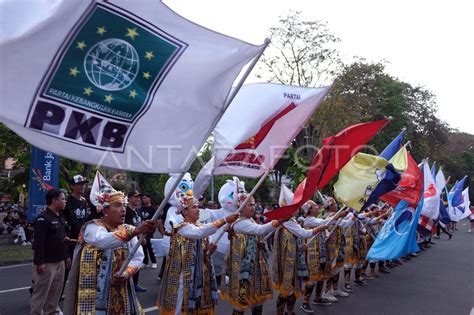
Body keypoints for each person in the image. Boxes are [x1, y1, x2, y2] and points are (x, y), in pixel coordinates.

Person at [63, 188, 156, 315]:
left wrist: (126, 273)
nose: (123, 209)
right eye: (118, 205)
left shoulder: (127, 229)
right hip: (93, 294)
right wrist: (134, 231)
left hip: (120, 290)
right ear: (105, 210)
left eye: (124, 205)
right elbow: (104, 241)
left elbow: (138, 257)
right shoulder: (92, 228)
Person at [157, 191, 239, 315]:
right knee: (181, 306)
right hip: (183, 275)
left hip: (200, 274)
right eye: (194, 207)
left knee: (198, 306)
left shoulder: (201, 226)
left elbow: (205, 250)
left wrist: (210, 250)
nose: (198, 210)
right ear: (184, 211)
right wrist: (224, 220)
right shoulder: (182, 227)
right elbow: (198, 233)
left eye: (198, 206)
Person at [221, 195, 280, 315]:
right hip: (243, 268)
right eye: (250, 205)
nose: (253, 207)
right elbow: (259, 230)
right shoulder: (240, 223)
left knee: (258, 299)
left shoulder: (250, 220)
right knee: (241, 302)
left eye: (254, 204)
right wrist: (279, 221)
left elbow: (255, 236)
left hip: (255, 266)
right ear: (240, 208)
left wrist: (260, 244)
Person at [273, 204, 328, 315]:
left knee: (293, 288)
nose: (298, 209)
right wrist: (318, 229)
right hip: (288, 261)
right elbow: (303, 234)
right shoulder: (288, 222)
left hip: (293, 258)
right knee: (287, 289)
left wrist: (301, 247)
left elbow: (294, 239)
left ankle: (290, 312)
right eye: (295, 207)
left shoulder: (291, 221)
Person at [30, 188, 70, 315]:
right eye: (63, 199)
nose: (65, 201)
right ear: (54, 200)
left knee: (55, 294)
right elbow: (39, 243)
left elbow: (64, 239)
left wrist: (67, 256)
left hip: (60, 261)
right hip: (47, 263)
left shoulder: (60, 217)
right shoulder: (43, 219)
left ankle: (52, 312)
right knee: (40, 294)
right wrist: (39, 262)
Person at [301, 200, 337, 313]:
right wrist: (338, 215)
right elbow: (325, 221)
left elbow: (325, 230)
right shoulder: (310, 220)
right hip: (312, 253)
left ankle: (318, 297)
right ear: (310, 210)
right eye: (315, 206)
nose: (318, 207)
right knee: (311, 278)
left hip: (321, 252)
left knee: (321, 276)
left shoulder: (316, 220)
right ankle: (305, 302)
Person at [125, 190, 146, 292]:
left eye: (139, 197)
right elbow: (128, 227)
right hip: (129, 241)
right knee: (129, 261)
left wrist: (142, 236)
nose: (138, 199)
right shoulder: (126, 211)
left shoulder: (137, 211)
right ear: (129, 199)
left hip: (137, 239)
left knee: (138, 259)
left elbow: (140, 224)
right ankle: (128, 283)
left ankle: (135, 283)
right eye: (135, 197)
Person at [140, 193, 158, 268]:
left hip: (149, 230)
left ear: (149, 198)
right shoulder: (141, 208)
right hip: (142, 229)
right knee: (143, 246)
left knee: (150, 246)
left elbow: (156, 220)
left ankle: (154, 261)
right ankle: (145, 261)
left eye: (145, 198)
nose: (143, 200)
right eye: (143, 198)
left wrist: (153, 229)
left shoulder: (153, 209)